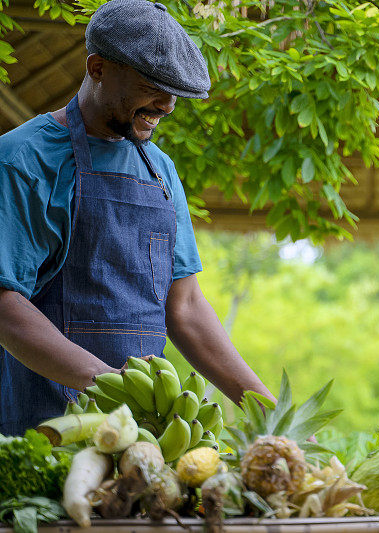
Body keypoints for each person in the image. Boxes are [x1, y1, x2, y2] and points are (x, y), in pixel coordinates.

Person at [0, 0, 274, 435]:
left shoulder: (160, 170)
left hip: (146, 430)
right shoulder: (23, 160)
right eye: (151, 86)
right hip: (46, 428)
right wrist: (110, 384)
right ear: (98, 68)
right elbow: (5, 306)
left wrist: (266, 409)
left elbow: (183, 306)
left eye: (174, 93)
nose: (165, 105)